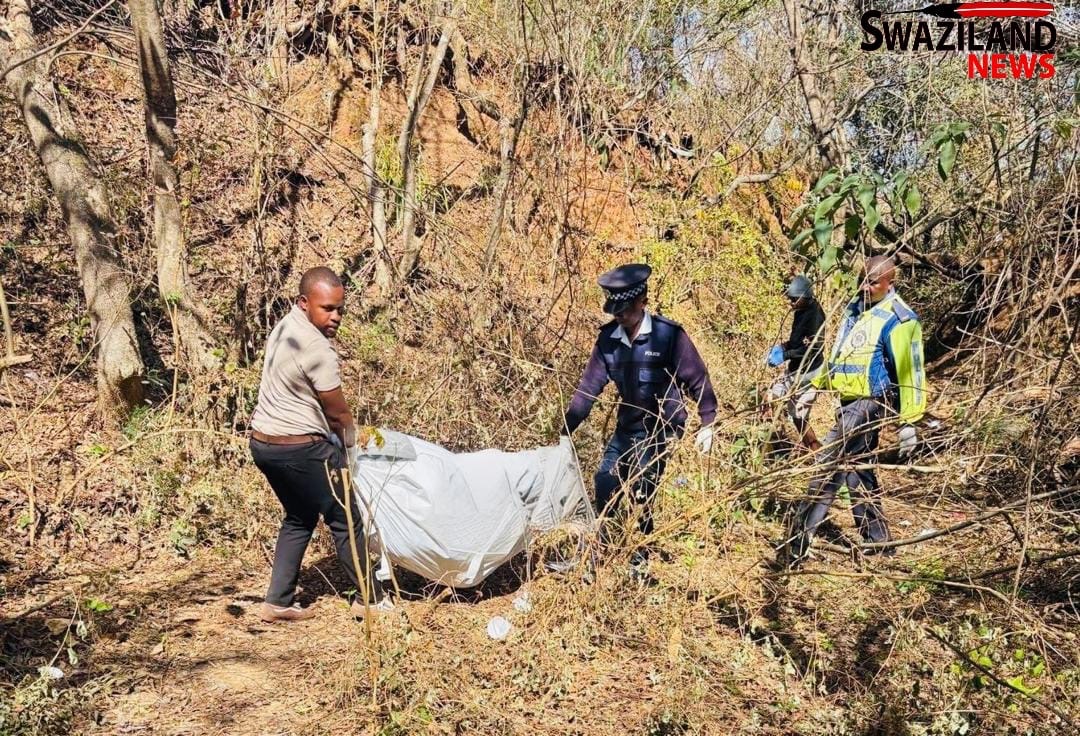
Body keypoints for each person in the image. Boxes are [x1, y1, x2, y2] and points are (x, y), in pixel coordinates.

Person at [561, 263, 718, 578]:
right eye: (614, 312)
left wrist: (708, 422)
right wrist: (566, 429)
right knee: (605, 481)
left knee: (642, 489)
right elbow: (589, 387)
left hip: (661, 427)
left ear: (642, 302)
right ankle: (600, 551)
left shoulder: (668, 336)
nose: (619, 317)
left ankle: (640, 557)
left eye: (625, 311)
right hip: (628, 425)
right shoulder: (608, 340)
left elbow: (697, 377)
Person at [248, 267, 386, 622]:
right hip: (300, 449)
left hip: (264, 446)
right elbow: (339, 416)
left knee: (299, 516)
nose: (336, 317)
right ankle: (369, 601)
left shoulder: (286, 327)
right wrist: (355, 450)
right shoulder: (317, 349)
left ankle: (277, 602)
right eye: (327, 308)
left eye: (340, 309)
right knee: (346, 519)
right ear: (304, 302)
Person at [782, 256, 927, 566]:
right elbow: (839, 354)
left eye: (873, 282)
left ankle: (799, 538)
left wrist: (908, 421)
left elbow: (910, 371)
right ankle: (880, 541)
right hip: (847, 401)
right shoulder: (854, 309)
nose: (865, 286)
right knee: (856, 470)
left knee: (828, 463)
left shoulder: (900, 319)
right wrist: (814, 387)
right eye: (862, 279)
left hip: (871, 402)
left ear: (891, 284)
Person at [765, 274, 826, 451]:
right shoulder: (802, 310)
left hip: (809, 371)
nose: (790, 303)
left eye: (794, 299)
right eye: (790, 299)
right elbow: (798, 341)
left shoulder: (814, 315)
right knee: (783, 405)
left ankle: (815, 452)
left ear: (805, 297)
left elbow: (812, 349)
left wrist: (786, 355)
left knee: (796, 412)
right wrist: (783, 347)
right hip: (797, 369)